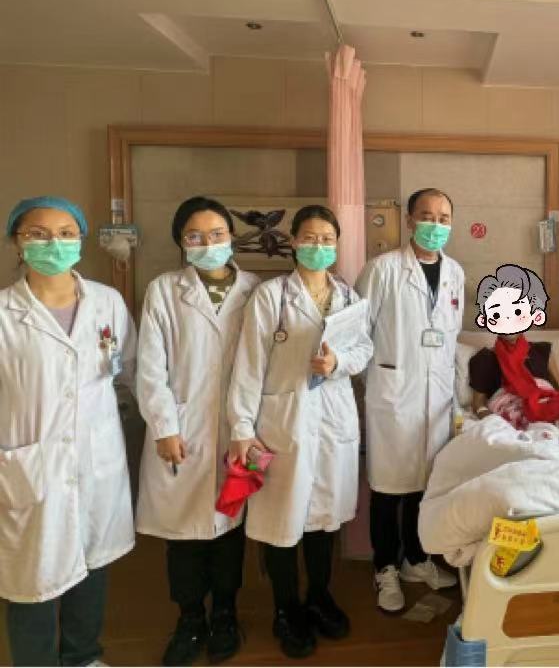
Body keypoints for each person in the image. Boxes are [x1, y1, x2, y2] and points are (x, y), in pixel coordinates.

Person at [227, 205, 373, 659]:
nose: (318, 246)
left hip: (333, 420)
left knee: (324, 520)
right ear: (293, 241)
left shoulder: (347, 296)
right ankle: (286, 609)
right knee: (282, 522)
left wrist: (338, 363)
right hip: (282, 423)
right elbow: (249, 366)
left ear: (337, 244)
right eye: (309, 238)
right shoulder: (271, 296)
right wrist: (241, 428)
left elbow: (363, 348)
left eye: (327, 239)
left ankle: (319, 597)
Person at [0, 196, 136, 667]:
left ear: (80, 240)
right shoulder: (4, 313)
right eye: (38, 234)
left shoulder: (107, 301)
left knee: (92, 561)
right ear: (17, 243)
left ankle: (82, 657)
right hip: (28, 462)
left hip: (96, 460)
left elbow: (127, 368)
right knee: (31, 576)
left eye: (65, 233)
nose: (53, 243)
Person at [135, 197, 260, 666]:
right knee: (184, 533)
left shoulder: (255, 290)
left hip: (238, 428)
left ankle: (225, 613)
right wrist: (164, 426)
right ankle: (189, 619)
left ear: (231, 236)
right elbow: (150, 367)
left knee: (229, 527)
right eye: (195, 236)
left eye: (217, 234)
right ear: (180, 242)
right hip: (182, 428)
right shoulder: (164, 290)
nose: (208, 243)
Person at [355, 188, 463, 612]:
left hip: (436, 398)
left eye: (443, 217)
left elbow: (451, 338)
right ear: (409, 221)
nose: (435, 224)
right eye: (427, 215)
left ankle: (416, 560)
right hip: (393, 396)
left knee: (424, 486)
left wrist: (456, 395)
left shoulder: (455, 272)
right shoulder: (382, 269)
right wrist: (379, 382)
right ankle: (385, 567)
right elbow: (357, 335)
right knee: (388, 489)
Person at [470, 264, 559, 429]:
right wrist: (495, 424)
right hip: (508, 414)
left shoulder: (542, 350)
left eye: (517, 311)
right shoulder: (484, 358)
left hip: (547, 406)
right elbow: (478, 403)